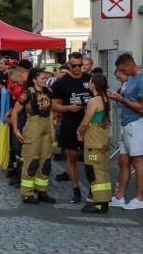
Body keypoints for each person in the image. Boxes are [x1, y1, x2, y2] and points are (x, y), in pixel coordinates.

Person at [108, 53, 143, 210]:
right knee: (124, 161)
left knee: (138, 160)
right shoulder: (132, 79)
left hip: (137, 123)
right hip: (128, 123)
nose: (122, 73)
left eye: (123, 69)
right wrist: (118, 97)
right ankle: (120, 196)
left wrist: (121, 100)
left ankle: (140, 198)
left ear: (129, 64)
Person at [50, 53, 94, 202]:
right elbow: (53, 104)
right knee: (72, 158)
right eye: (74, 65)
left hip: (89, 125)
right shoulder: (61, 83)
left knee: (91, 159)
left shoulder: (90, 79)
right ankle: (76, 190)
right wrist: (68, 108)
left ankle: (94, 189)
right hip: (70, 124)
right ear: (69, 65)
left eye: (80, 65)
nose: (77, 68)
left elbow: (101, 98)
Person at [18, 69, 56, 204]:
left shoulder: (48, 92)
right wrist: (16, 130)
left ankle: (42, 191)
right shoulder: (28, 93)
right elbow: (15, 111)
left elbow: (50, 112)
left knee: (45, 161)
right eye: (42, 78)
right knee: (32, 160)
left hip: (46, 127)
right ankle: (27, 193)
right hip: (33, 125)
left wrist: (52, 130)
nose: (45, 81)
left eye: (46, 78)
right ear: (34, 80)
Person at [79, 71, 114, 214]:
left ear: (94, 84)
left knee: (94, 171)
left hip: (94, 139)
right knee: (102, 170)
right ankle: (103, 201)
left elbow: (86, 121)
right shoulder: (105, 98)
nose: (88, 84)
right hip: (103, 138)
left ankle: (98, 203)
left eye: (90, 82)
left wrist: (79, 131)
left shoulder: (93, 101)